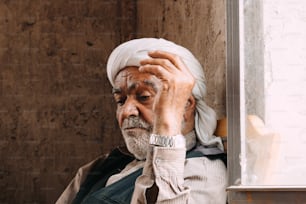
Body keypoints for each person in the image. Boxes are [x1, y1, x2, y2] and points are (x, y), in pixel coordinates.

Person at [56, 38, 227, 204]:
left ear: (185, 105)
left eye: (144, 97)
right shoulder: (100, 167)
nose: (127, 111)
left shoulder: (203, 172)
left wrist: (166, 127)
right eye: (120, 101)